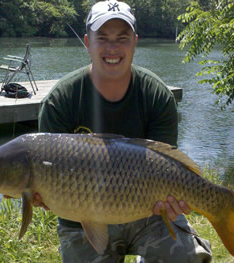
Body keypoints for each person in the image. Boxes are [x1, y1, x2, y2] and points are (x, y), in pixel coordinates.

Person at [36, 1, 212, 262]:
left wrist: (175, 202)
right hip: (83, 218)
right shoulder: (60, 101)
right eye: (102, 38)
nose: (112, 48)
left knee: (187, 259)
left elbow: (166, 167)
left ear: (135, 42)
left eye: (122, 38)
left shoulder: (157, 96)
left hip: (149, 213)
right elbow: (44, 181)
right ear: (87, 42)